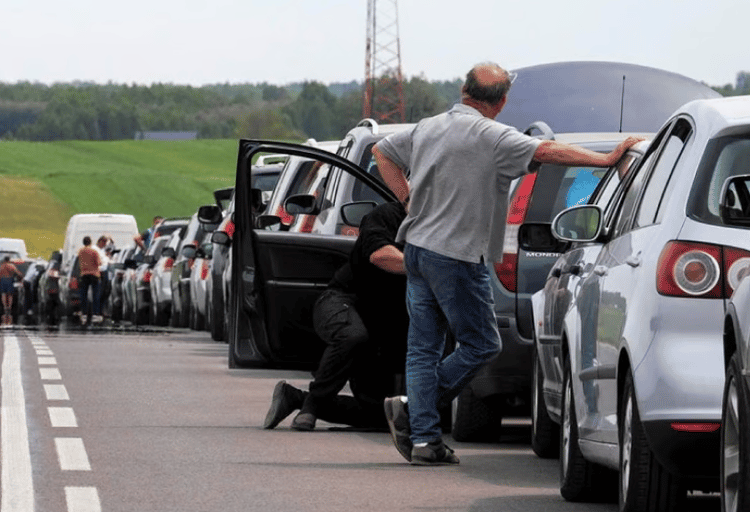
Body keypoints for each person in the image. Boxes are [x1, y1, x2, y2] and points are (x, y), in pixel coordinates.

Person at [371, 62, 641, 466]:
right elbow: (547, 151)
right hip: (457, 255)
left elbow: (381, 151)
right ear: (500, 103)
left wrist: (408, 200)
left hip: (417, 249)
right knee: (482, 343)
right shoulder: (491, 135)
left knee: (422, 348)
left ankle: (425, 439)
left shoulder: (428, 127)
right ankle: (414, 411)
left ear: (464, 90)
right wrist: (606, 161)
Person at [264, 200, 407, 431]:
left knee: (381, 417)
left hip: (379, 331)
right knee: (352, 335)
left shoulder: (440, 227)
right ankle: (311, 405)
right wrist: (427, 265)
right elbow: (380, 255)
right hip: (340, 300)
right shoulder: (386, 216)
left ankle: (295, 398)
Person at [75, 235, 103, 326]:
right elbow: (99, 263)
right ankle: (95, 314)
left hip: (84, 274)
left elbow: (79, 262)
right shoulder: (94, 251)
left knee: (83, 295)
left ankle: (84, 314)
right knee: (96, 294)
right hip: (94, 274)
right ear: (90, 242)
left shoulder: (80, 251)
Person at [0, 256, 22, 324]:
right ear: (9, 260)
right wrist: (20, 276)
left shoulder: (1, 266)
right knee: (10, 294)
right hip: (9, 279)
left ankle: (4, 306)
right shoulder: (11, 266)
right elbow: (17, 273)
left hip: (3, 280)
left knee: (3, 294)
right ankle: (9, 306)